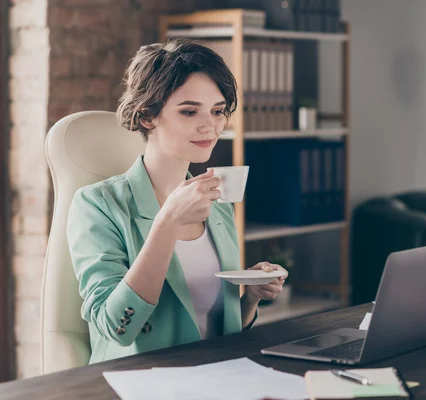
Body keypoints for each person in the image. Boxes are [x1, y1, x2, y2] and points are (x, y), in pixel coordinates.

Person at [67, 38, 287, 364]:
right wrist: (167, 222)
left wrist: (250, 299)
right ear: (147, 116)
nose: (209, 125)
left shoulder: (216, 202)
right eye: (189, 111)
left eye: (218, 111)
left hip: (213, 376)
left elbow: (217, 332)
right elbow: (117, 328)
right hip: (137, 383)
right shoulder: (96, 205)